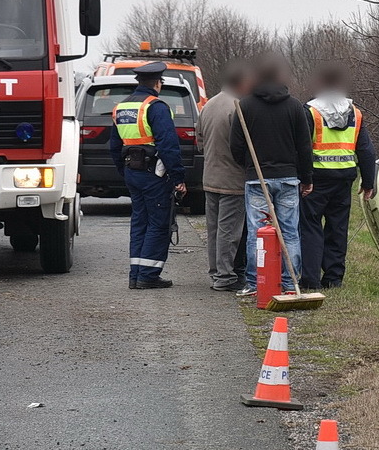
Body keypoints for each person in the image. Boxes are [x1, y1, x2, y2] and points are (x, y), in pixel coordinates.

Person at [230, 56, 313, 296]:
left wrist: (247, 166)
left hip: (256, 178)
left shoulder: (245, 106)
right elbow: (304, 146)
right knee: (289, 231)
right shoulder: (295, 106)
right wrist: (306, 177)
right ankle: (288, 284)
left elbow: (235, 145)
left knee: (257, 231)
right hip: (288, 178)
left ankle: (255, 283)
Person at [108, 61, 187, 289]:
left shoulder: (121, 107)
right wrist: (178, 177)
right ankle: (148, 275)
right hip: (154, 174)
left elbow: (114, 146)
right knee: (158, 223)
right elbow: (169, 145)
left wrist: (124, 171)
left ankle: (136, 275)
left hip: (132, 172)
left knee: (139, 222)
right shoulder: (156, 107)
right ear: (157, 83)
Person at [299, 66, 377, 289]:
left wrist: (304, 178)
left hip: (316, 178)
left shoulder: (310, 111)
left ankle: (310, 279)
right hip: (344, 178)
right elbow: (366, 150)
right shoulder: (355, 112)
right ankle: (334, 279)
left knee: (311, 227)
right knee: (338, 228)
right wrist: (368, 182)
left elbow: (303, 149)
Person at [196, 63, 250, 292]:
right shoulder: (238, 106)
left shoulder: (208, 105)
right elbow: (245, 145)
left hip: (210, 177)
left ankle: (216, 272)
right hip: (232, 179)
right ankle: (225, 277)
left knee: (214, 229)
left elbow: (199, 142)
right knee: (229, 230)